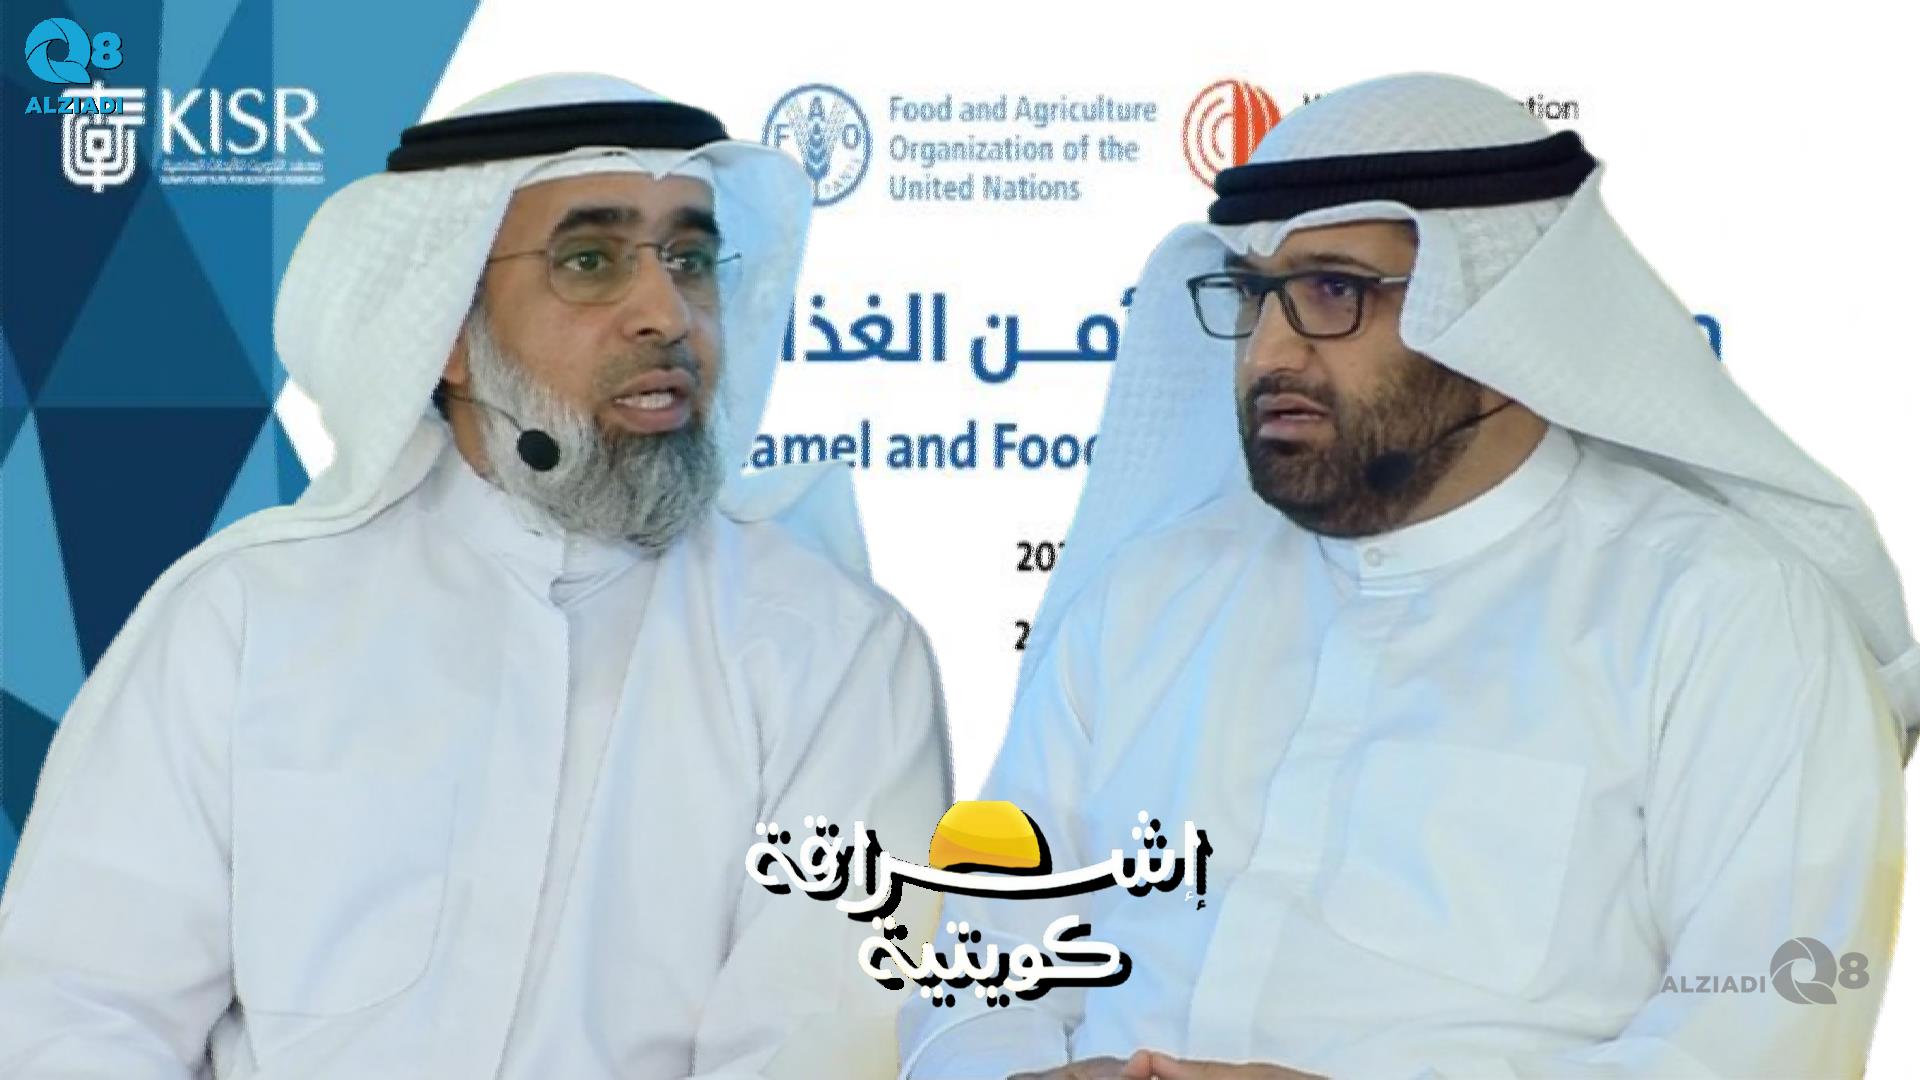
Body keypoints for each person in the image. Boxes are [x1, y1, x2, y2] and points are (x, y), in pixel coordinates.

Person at [900, 72, 1911, 1079]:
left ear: (1498, 314)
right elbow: (981, 962)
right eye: (1253, 294)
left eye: (1335, 291)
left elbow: (1769, 1034)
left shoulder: (1726, 615)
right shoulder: (1146, 597)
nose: (1269, 352)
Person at [0, 72, 951, 1079]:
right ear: (447, 332)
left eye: (691, 260)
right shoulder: (246, 615)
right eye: (591, 261)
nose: (665, 312)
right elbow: (75, 1012)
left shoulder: (830, 649)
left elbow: (816, 1045)